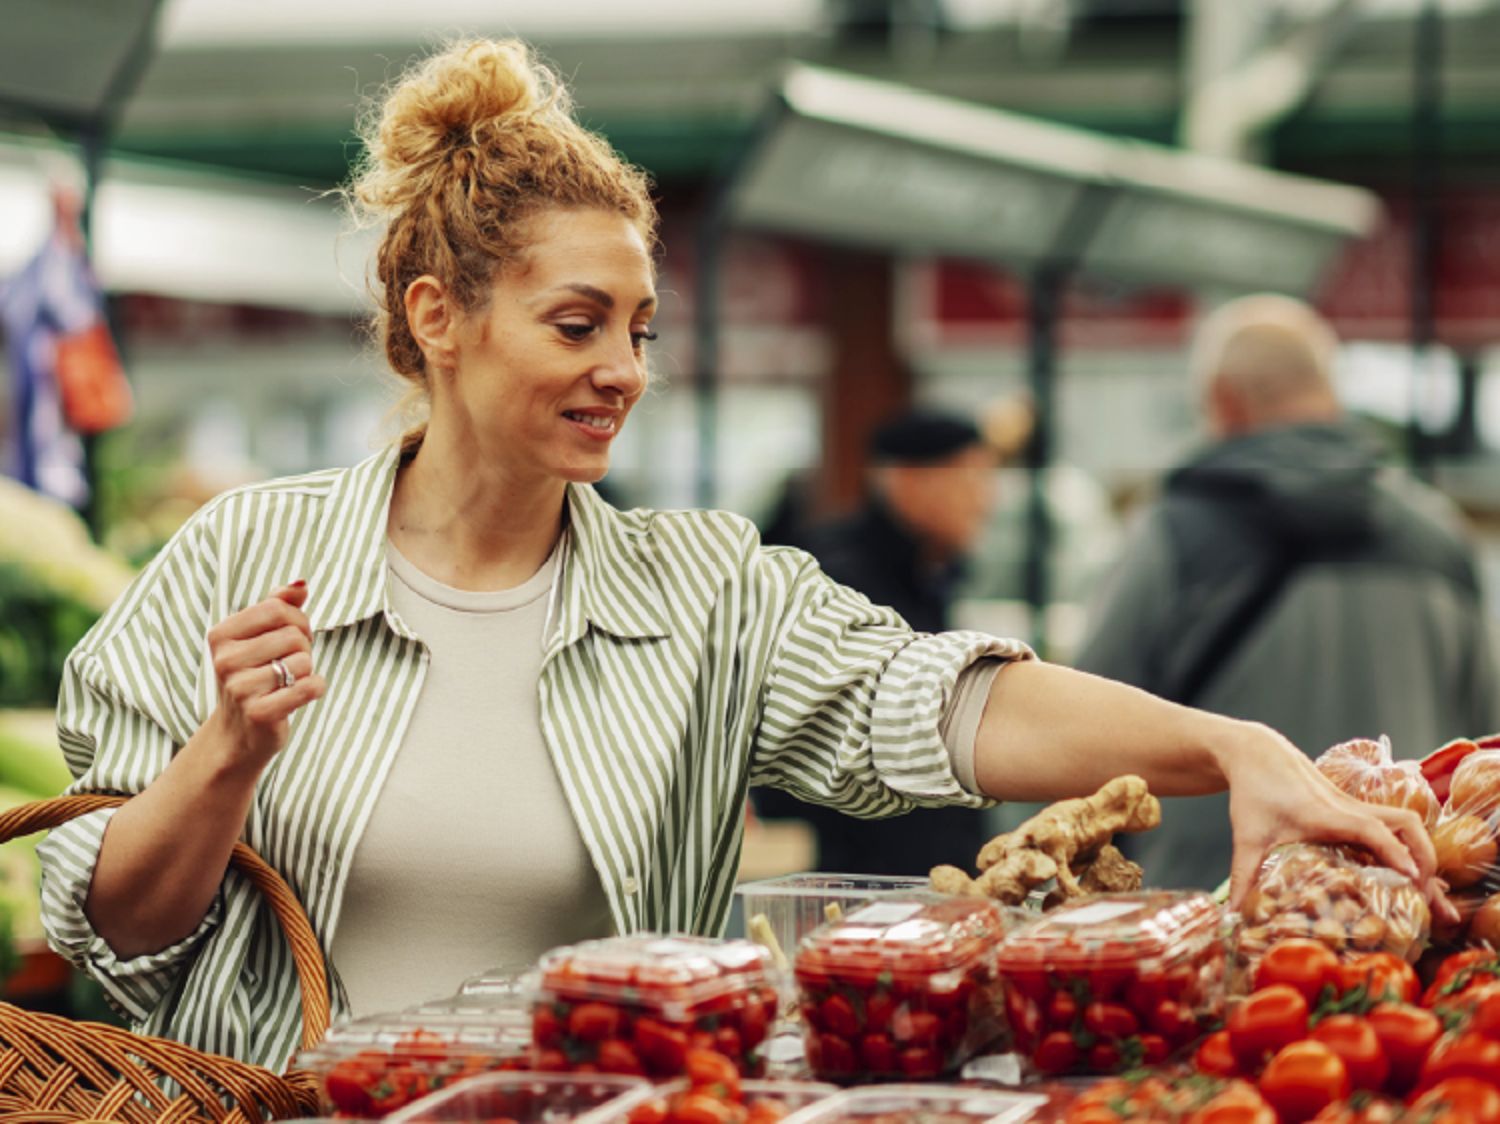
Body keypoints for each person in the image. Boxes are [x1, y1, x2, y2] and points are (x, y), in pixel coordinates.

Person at [37, 42, 1440, 1072]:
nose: (623, 370)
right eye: (578, 325)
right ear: (439, 318)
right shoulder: (246, 556)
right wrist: (225, 753)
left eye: (642, 331)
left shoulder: (701, 586)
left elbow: (947, 703)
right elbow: (112, 929)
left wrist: (1232, 746)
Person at [1073, 293, 1500, 890]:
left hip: (1217, 910)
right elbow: (1481, 753)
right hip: (1404, 911)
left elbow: (1085, 723)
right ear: (1329, 392)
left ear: (1224, 399)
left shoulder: (1173, 534)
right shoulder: (1439, 535)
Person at [753, 409, 1001, 876]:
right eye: (972, 479)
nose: (987, 501)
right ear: (909, 482)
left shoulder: (930, 571)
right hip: (859, 879)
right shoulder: (840, 580)